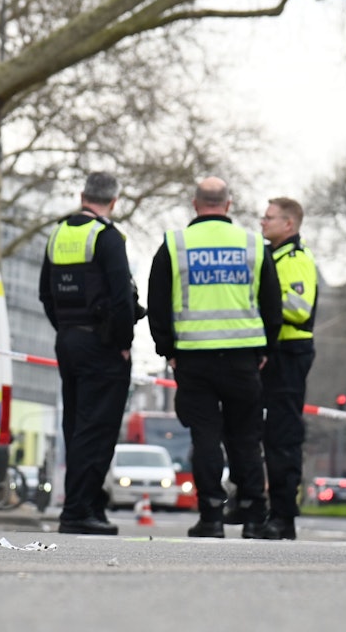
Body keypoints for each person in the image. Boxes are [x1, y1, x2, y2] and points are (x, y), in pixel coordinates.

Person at [147, 176, 283, 538]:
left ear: (195, 204)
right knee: (245, 438)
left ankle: (211, 516)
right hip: (243, 359)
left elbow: (157, 302)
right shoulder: (253, 245)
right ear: (229, 204)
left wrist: (168, 351)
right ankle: (255, 516)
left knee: (205, 438)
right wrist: (265, 349)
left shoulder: (175, 245)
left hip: (194, 359)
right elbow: (273, 303)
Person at [39, 172, 138, 535]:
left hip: (68, 341)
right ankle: (80, 511)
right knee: (98, 430)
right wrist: (123, 343)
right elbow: (121, 299)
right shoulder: (107, 237)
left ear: (83, 196)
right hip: (103, 346)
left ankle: (86, 505)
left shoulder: (59, 233)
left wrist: (65, 329)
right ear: (113, 202)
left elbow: (45, 294)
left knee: (77, 426)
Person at [254, 197, 318, 540]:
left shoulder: (294, 260)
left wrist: (260, 301)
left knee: (282, 436)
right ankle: (266, 509)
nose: (262, 223)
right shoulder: (274, 256)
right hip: (275, 351)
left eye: (269, 218)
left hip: (289, 352)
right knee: (264, 433)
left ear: (288, 224)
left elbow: (298, 307)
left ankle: (282, 516)